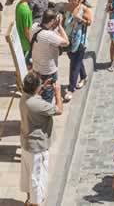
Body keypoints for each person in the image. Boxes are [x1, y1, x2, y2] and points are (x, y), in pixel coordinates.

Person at [19, 71, 62, 206]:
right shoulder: (37, 105)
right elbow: (59, 110)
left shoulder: (24, 98)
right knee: (38, 179)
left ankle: (29, 200)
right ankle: (35, 204)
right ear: (35, 88)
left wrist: (42, 86)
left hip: (27, 144)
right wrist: (57, 93)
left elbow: (34, 95)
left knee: (27, 175)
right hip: (38, 147)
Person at [30, 8, 69, 106]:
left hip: (36, 69)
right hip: (48, 72)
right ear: (52, 21)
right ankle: (43, 117)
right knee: (47, 99)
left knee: (37, 95)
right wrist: (59, 26)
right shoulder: (49, 35)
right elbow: (66, 42)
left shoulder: (34, 27)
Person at [62, 0, 92, 102]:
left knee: (74, 65)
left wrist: (81, 20)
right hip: (68, 40)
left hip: (80, 41)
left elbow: (89, 22)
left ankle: (70, 88)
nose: (73, 1)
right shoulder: (67, 8)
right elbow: (65, 21)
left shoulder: (83, 9)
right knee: (75, 61)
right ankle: (84, 77)